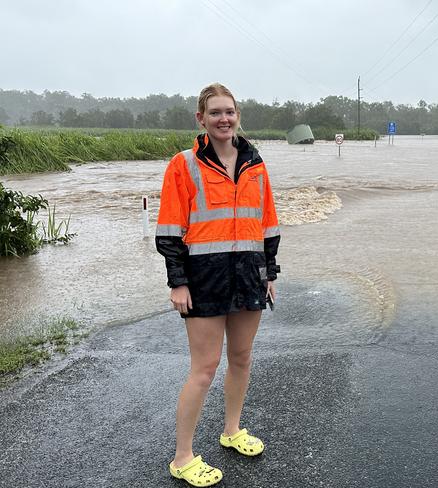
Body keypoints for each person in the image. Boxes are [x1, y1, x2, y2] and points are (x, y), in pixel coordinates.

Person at [155, 82, 281, 487]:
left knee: (241, 358)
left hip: (249, 276)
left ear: (237, 115)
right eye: (215, 113)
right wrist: (178, 282)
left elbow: (268, 223)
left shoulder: (255, 164)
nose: (223, 119)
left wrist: (270, 272)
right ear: (201, 119)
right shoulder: (183, 165)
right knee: (204, 369)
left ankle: (232, 431)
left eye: (229, 112)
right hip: (203, 280)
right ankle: (183, 456)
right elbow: (170, 229)